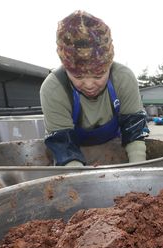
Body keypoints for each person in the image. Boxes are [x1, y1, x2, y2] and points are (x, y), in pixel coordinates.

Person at [40, 10, 148, 167]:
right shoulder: (54, 89)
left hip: (116, 154)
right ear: (66, 68)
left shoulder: (123, 78)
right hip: (71, 159)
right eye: (78, 77)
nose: (89, 85)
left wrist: (138, 170)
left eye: (98, 76)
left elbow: (133, 129)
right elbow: (63, 144)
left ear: (109, 65)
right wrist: (80, 183)